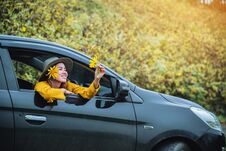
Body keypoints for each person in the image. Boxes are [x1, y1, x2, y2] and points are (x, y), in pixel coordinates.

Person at [34, 57, 105, 103]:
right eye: (60, 69)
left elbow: (87, 93)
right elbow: (48, 94)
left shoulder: (68, 85)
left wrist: (97, 79)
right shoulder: (40, 85)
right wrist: (64, 91)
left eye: (65, 70)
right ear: (50, 73)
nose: (65, 72)